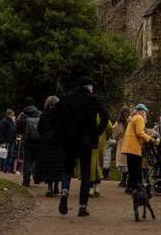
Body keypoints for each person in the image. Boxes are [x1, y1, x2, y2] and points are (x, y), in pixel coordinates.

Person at [57, 75, 110, 217]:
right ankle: (82, 206)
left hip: (70, 139)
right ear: (89, 86)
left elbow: (58, 115)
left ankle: (64, 191)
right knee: (86, 173)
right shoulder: (94, 99)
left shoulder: (67, 98)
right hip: (87, 139)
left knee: (68, 168)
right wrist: (97, 132)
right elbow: (105, 116)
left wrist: (64, 131)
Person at [36, 96, 66, 197]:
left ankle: (49, 188)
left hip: (46, 143)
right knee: (57, 165)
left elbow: (39, 129)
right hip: (58, 143)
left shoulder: (43, 116)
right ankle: (57, 185)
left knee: (48, 165)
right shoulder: (61, 116)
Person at [122, 103, 154, 194]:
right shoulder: (139, 118)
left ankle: (129, 187)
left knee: (131, 168)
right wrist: (149, 139)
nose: (145, 115)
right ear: (142, 112)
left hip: (128, 146)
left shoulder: (132, 118)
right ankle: (137, 187)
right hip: (134, 146)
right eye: (145, 113)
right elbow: (139, 132)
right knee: (136, 169)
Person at [17, 98, 41, 186]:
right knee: (36, 160)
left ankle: (26, 180)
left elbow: (18, 127)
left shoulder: (22, 114)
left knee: (27, 161)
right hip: (38, 140)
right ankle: (36, 178)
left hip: (26, 140)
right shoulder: (39, 113)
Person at [112, 107, 131, 188]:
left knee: (124, 162)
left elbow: (114, 133)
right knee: (123, 162)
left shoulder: (127, 122)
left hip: (125, 142)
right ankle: (124, 179)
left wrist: (116, 137)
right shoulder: (121, 122)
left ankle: (124, 179)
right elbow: (114, 132)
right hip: (124, 143)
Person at [0, 109, 17, 173]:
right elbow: (2, 132)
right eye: (13, 114)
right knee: (3, 156)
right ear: (10, 114)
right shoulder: (4, 121)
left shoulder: (12, 122)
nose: (13, 115)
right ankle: (2, 169)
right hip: (4, 141)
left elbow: (14, 131)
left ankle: (7, 169)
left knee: (10, 156)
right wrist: (2, 142)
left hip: (11, 141)